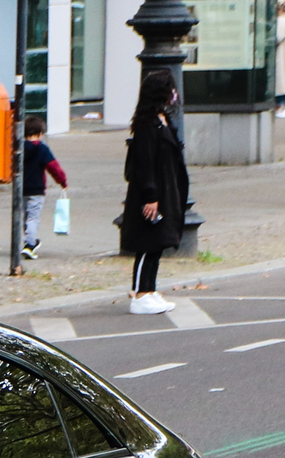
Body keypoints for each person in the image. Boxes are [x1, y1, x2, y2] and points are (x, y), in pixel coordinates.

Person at [121, 70, 189, 315]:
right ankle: (139, 293)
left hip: (165, 189)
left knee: (157, 243)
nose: (175, 94)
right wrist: (151, 196)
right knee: (146, 244)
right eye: (170, 89)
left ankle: (149, 289)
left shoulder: (163, 119)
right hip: (151, 193)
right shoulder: (147, 125)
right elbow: (145, 163)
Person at [21, 116, 67, 258]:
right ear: (41, 133)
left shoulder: (19, 148)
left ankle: (30, 239)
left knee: (25, 216)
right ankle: (30, 245)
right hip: (37, 190)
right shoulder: (42, 149)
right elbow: (54, 167)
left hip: (22, 189)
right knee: (33, 217)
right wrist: (62, 181)